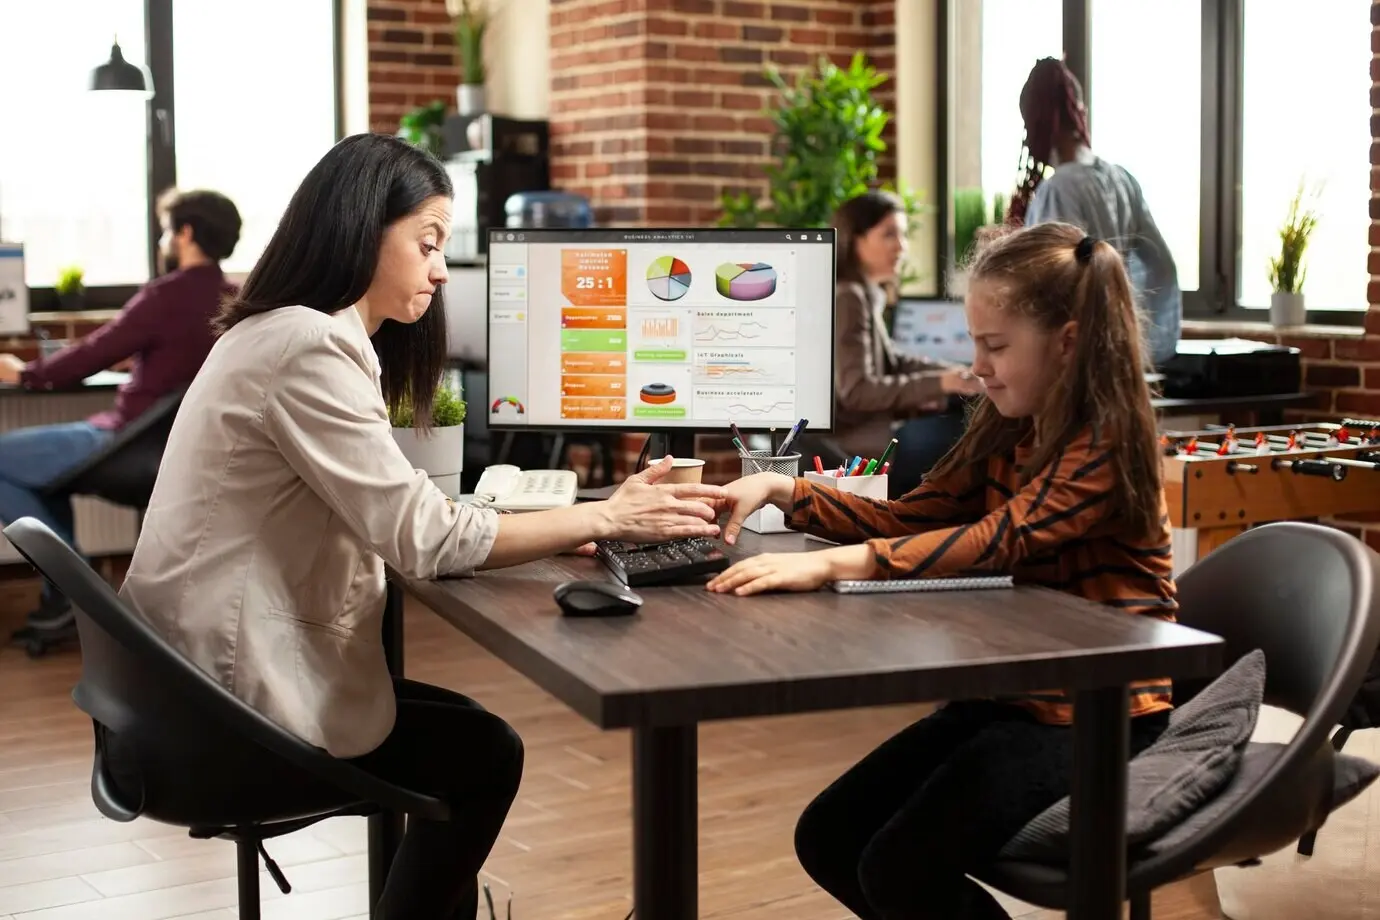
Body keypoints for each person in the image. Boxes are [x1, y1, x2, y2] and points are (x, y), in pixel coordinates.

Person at [110, 133, 727, 920]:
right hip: (224, 712)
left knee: (472, 740)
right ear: (363, 229)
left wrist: (556, 518)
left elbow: (403, 509)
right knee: (484, 755)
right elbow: (423, 538)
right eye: (428, 242)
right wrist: (606, 514)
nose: (441, 268)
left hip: (181, 692)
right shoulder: (311, 346)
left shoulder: (279, 333)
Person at [705, 221, 1175, 918]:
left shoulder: (1104, 444)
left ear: (1068, 342)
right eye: (974, 344)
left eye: (995, 346)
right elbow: (917, 516)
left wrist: (845, 564)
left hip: (1098, 709)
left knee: (897, 867)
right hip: (1016, 691)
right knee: (829, 836)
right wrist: (786, 491)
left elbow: (1000, 539)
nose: (977, 366)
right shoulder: (1011, 425)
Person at [0, 188, 242, 640]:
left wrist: (25, 373)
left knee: (2, 461)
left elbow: (91, 354)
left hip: (124, 442)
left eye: (168, 230)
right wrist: (144, 360)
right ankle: (67, 595)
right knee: (40, 473)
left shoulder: (165, 295)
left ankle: (74, 592)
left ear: (185, 233)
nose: (164, 240)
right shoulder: (236, 300)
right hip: (183, 453)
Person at [1008, 56, 1182, 368]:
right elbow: (1161, 266)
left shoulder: (1059, 189)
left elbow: (1051, 284)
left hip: (1072, 358)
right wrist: (1142, 342)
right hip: (1116, 348)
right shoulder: (1122, 179)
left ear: (1042, 120)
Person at [826, 191, 982, 498]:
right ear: (854, 240)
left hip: (871, 429)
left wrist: (952, 373)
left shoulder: (863, 293)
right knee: (963, 432)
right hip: (856, 442)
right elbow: (858, 391)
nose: (902, 246)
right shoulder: (849, 298)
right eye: (889, 234)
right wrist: (941, 382)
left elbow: (892, 359)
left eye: (903, 234)